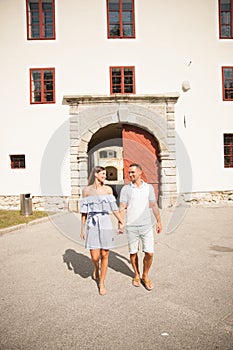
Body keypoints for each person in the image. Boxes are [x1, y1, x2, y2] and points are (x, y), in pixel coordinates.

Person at [80, 166, 124, 296]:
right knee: (95, 257)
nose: (105, 176)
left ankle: (102, 283)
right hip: (92, 223)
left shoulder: (108, 190)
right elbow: (84, 212)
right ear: (96, 174)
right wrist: (82, 229)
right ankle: (96, 267)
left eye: (105, 174)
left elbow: (114, 209)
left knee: (105, 254)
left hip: (105, 221)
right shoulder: (86, 191)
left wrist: (121, 221)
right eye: (103, 174)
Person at [119, 163, 162, 291]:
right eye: (129, 172)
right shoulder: (125, 189)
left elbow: (154, 205)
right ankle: (136, 274)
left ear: (140, 172)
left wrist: (159, 221)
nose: (130, 174)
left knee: (149, 253)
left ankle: (145, 275)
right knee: (133, 253)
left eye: (132, 172)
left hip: (146, 225)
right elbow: (122, 208)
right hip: (131, 226)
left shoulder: (148, 188)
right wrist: (121, 223)